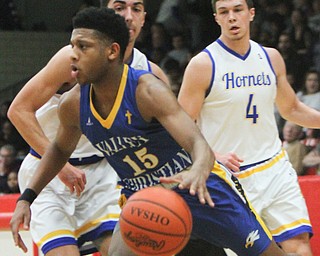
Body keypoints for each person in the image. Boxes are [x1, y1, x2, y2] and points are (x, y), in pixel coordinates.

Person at [10, 7, 298, 256]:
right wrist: (27, 198)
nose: (73, 55)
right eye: (73, 46)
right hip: (145, 199)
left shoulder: (147, 91)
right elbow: (60, 149)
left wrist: (198, 170)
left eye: (83, 47)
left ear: (112, 52)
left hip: (200, 190)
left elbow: (198, 143)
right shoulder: (74, 103)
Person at [7, 1, 170, 255]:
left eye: (136, 9)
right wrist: (61, 167)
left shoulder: (151, 74)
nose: (128, 17)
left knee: (123, 250)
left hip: (104, 174)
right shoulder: (71, 58)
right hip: (49, 171)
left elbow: (173, 137)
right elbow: (18, 110)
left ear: (144, 19)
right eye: (119, 8)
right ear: (107, 13)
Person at [178, 0, 320, 255]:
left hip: (275, 168)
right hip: (231, 178)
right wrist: (209, 155)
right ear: (216, 18)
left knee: (298, 245)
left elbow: (292, 109)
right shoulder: (203, 65)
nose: (232, 17)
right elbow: (179, 126)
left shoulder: (271, 57)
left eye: (237, 10)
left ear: (251, 14)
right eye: (224, 12)